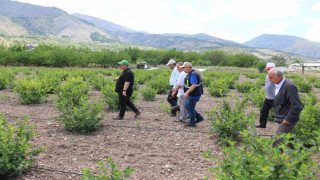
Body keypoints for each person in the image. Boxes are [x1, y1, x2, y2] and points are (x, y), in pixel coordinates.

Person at [267, 68, 303, 149]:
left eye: (271, 77)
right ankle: (304, 152)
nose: (269, 80)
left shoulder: (289, 86)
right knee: (289, 139)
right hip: (281, 117)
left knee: (278, 140)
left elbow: (297, 106)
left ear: (279, 76)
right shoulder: (278, 85)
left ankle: (276, 159)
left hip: (288, 119)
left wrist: (288, 119)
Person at [181, 62, 204, 127]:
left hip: (193, 95)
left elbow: (194, 85)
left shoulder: (193, 74)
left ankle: (192, 122)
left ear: (188, 67)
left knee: (190, 107)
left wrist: (186, 93)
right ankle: (199, 117)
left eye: (183, 67)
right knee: (188, 106)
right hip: (193, 94)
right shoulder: (193, 73)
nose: (182, 69)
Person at [255, 62, 276, 128]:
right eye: (268, 69)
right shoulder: (267, 76)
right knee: (263, 111)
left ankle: (284, 129)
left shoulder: (278, 76)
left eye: (271, 69)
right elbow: (268, 86)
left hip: (276, 98)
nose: (269, 70)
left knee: (280, 113)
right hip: (268, 98)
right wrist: (266, 95)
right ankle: (262, 124)